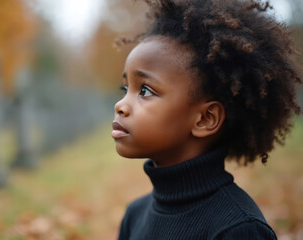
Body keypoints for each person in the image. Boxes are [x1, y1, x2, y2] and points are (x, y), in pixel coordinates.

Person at [111, 0, 302, 239]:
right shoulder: (134, 215)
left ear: (205, 119)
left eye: (145, 91)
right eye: (125, 88)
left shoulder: (238, 229)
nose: (121, 105)